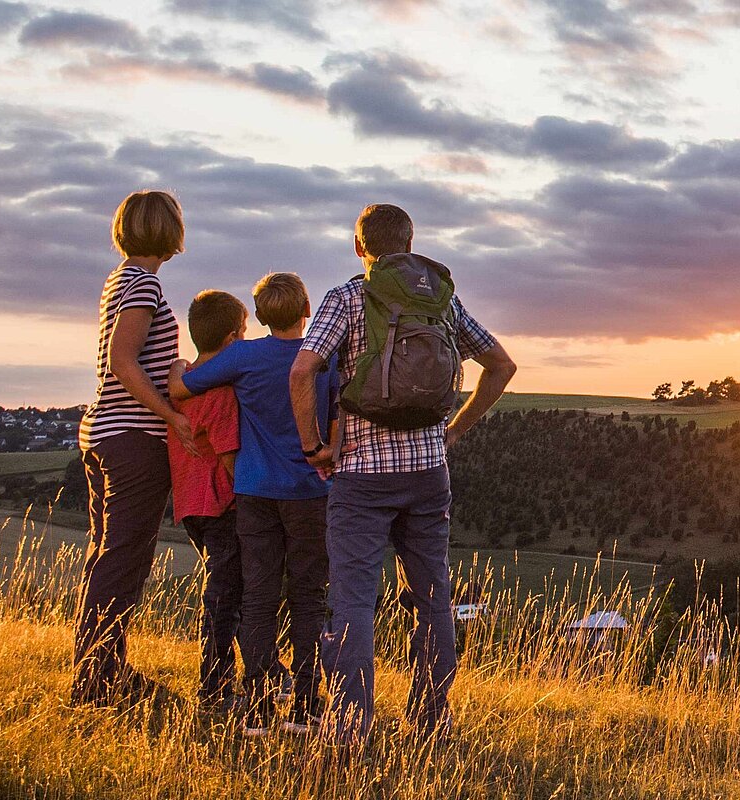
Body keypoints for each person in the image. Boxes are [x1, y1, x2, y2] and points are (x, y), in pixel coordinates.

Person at [293, 204, 516, 742]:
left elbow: (303, 370)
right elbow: (502, 365)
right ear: (412, 243)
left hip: (361, 475)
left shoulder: (349, 295)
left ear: (359, 247)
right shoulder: (441, 299)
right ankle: (432, 720)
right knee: (433, 597)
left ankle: (349, 728)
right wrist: (454, 432)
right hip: (427, 473)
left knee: (352, 599)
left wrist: (313, 447)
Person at [171, 272, 339, 738]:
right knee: (309, 597)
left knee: (259, 596)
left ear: (259, 316)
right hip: (310, 493)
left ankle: (259, 706)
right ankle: (305, 708)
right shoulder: (322, 359)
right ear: (308, 310)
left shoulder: (242, 356)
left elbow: (183, 390)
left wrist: (178, 365)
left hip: (254, 493)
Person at [72, 189, 197, 707]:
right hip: (133, 437)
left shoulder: (120, 280)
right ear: (169, 231)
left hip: (102, 431)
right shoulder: (143, 287)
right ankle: (97, 680)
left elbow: (126, 361)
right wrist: (171, 413)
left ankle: (103, 669)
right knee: (124, 557)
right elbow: (125, 363)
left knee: (108, 555)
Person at [167, 290, 247, 714]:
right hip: (222, 506)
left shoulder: (179, 387)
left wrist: (179, 364)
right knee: (224, 595)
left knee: (228, 591)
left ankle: (263, 673)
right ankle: (215, 691)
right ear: (233, 339)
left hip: (190, 507)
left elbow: (179, 369)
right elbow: (230, 458)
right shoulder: (220, 393)